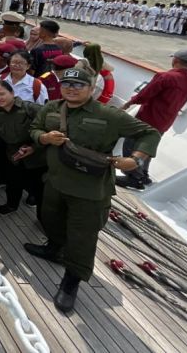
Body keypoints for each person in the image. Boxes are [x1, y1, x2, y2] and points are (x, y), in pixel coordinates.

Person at [25, 67, 160, 313]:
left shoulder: (108, 114)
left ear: (90, 89)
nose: (71, 88)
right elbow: (35, 128)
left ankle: (71, 282)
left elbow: (149, 133)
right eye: (67, 84)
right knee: (50, 219)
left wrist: (135, 159)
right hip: (55, 181)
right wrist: (44, 138)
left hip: (90, 190)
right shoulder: (52, 108)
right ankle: (53, 249)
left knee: (82, 238)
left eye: (78, 85)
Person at [117, 49, 187, 189]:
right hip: (164, 123)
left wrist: (129, 103)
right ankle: (143, 175)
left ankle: (134, 178)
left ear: (175, 60)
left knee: (132, 145)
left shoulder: (165, 77)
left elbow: (145, 95)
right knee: (148, 147)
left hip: (147, 118)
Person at [0, 80, 45, 214]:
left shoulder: (30, 108)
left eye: (2, 94)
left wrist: (34, 147)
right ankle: (12, 205)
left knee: (37, 184)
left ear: (12, 93)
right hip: (13, 155)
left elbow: (48, 129)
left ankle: (35, 201)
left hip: (36, 155)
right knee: (13, 183)